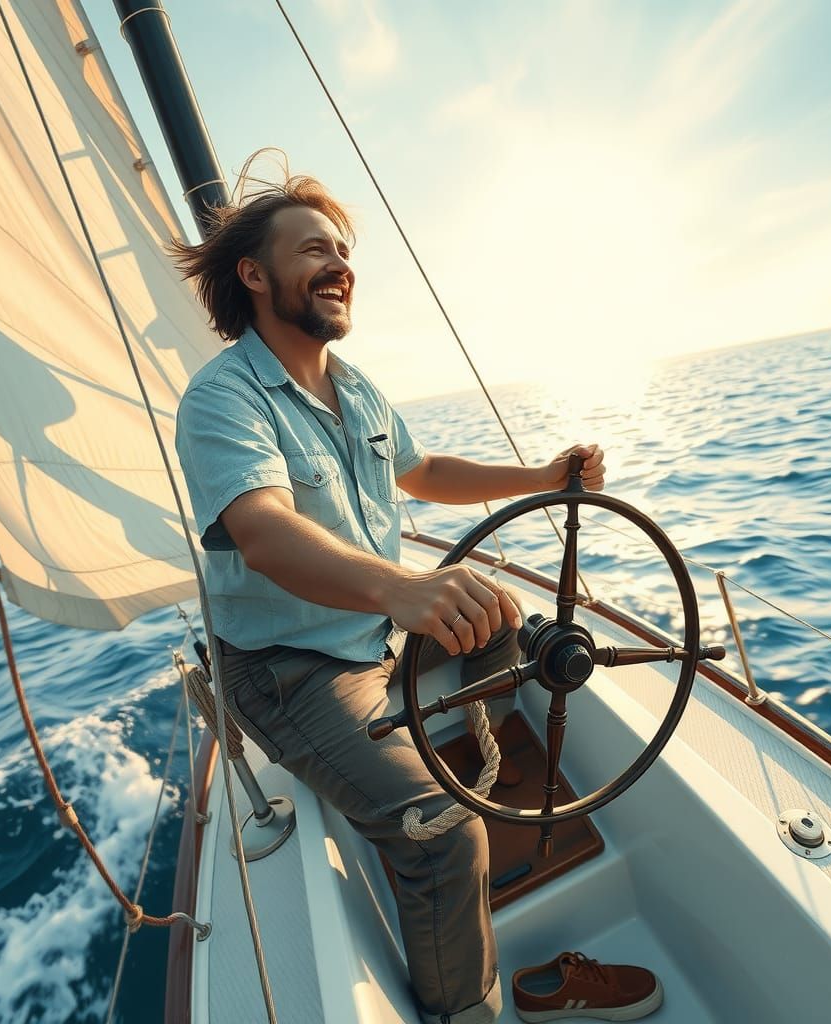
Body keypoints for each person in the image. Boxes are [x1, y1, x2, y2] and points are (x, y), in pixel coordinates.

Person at [172, 159, 607, 1024]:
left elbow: (422, 470)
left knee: (505, 621)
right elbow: (262, 533)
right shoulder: (220, 399)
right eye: (313, 250)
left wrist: (543, 475)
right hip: (290, 666)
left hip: (373, 631)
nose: (339, 264)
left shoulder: (355, 383)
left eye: (342, 249)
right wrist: (405, 588)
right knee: (446, 836)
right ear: (254, 275)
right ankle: (465, 1012)